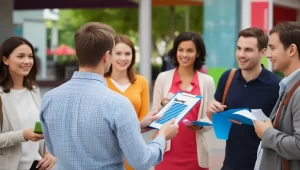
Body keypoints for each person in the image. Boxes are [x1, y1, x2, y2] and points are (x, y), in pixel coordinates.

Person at [40, 22, 179, 170]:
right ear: (107, 56)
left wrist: (134, 127)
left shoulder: (49, 98)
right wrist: (162, 136)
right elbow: (142, 161)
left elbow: (54, 149)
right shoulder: (118, 104)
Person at [207, 27, 281, 170]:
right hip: (229, 165)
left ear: (262, 52)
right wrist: (211, 110)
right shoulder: (227, 78)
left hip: (262, 166)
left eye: (248, 50)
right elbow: (213, 118)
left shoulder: (276, 86)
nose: (241, 54)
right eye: (239, 48)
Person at [153, 32, 215, 170]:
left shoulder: (207, 81)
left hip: (195, 154)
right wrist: (162, 106)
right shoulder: (163, 78)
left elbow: (210, 118)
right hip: (166, 153)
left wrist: (200, 126)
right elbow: (152, 115)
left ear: (198, 53)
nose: (184, 55)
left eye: (190, 50)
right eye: (180, 50)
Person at [0, 37, 56, 170]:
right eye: (20, 56)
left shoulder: (34, 90)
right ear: (5, 59)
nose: (27, 61)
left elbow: (42, 126)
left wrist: (49, 152)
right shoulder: (1, 94)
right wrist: (23, 135)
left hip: (36, 165)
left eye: (30, 56)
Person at [254, 21, 300, 170]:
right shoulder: (288, 85)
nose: (268, 55)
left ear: (292, 50)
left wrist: (267, 133)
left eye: (273, 48)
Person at [105, 35, 149, 170]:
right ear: (109, 55)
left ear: (133, 56)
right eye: (118, 53)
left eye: (127, 54)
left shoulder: (141, 82)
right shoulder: (101, 82)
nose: (123, 58)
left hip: (134, 149)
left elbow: (144, 116)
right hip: (106, 150)